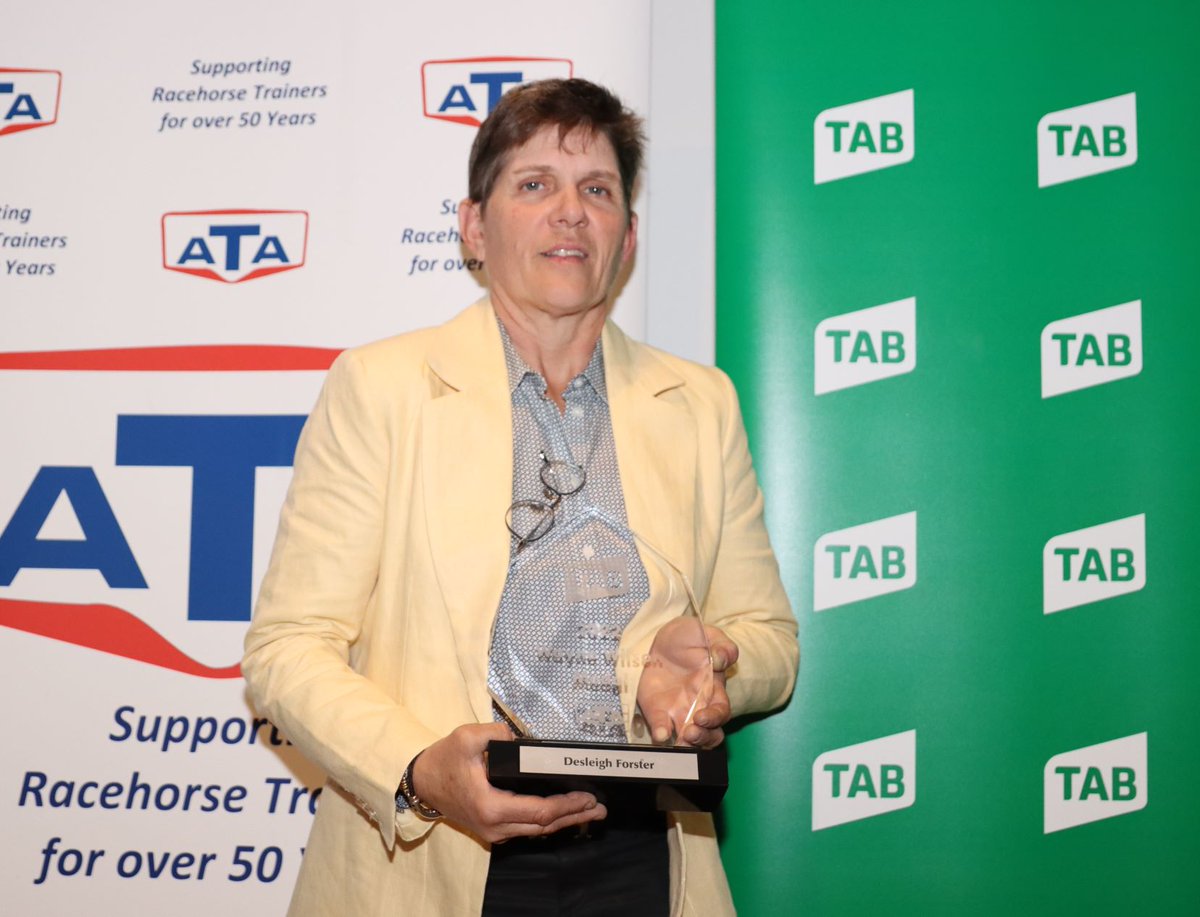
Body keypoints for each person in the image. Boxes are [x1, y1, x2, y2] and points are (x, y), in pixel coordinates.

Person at [243, 78, 797, 917]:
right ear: (474, 226)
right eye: (535, 184)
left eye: (597, 190)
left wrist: (706, 671)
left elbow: (769, 640)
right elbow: (289, 647)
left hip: (645, 860)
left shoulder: (700, 403)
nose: (570, 212)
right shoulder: (383, 388)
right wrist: (419, 768)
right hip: (438, 856)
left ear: (627, 236)